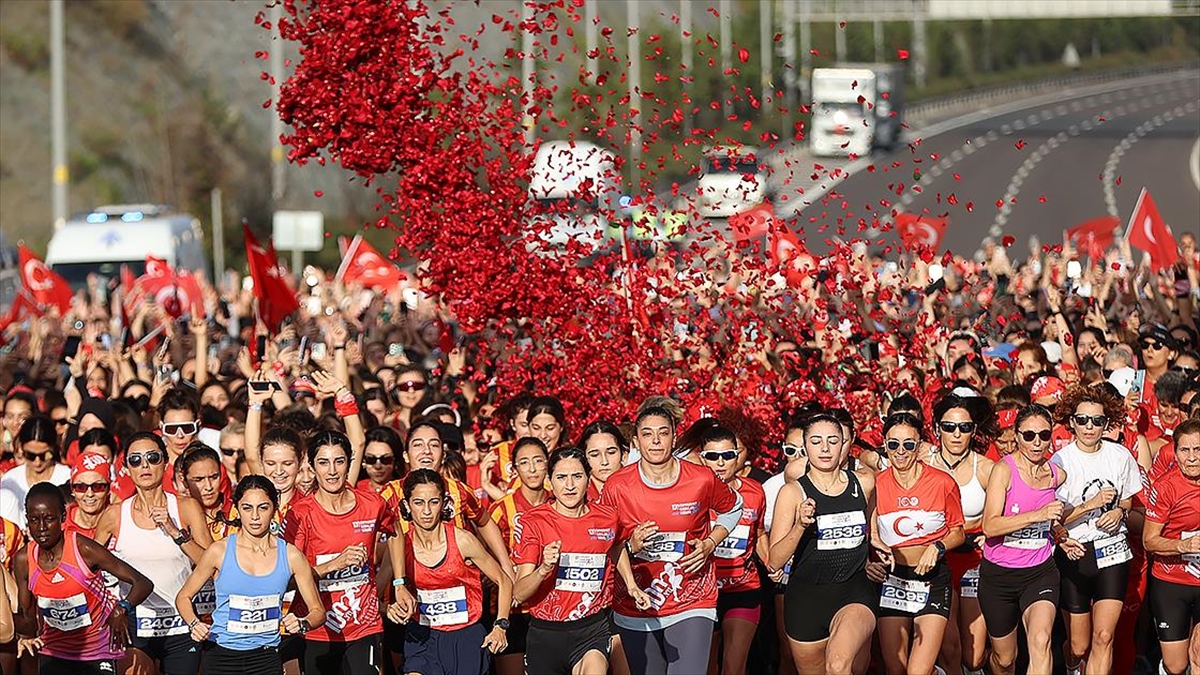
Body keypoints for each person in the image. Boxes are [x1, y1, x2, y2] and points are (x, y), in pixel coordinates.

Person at [599, 406, 743, 675]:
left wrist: (711, 543)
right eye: (647, 434)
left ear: (674, 438)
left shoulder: (701, 478)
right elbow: (605, 543)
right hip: (637, 602)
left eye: (663, 433)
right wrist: (631, 546)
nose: (655, 441)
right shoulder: (617, 486)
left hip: (692, 597)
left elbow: (734, 507)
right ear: (636, 441)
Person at [512, 446, 646, 675]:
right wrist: (544, 569)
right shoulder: (533, 522)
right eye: (561, 477)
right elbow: (519, 593)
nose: (570, 485)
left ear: (588, 477)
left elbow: (616, 546)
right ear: (550, 481)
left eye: (577, 476)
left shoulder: (607, 517)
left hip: (592, 628)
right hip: (546, 634)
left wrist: (632, 586)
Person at [175, 475, 327, 675]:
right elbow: (183, 597)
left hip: (266, 657)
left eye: (263, 507)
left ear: (274, 507)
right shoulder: (218, 551)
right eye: (247, 508)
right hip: (221, 656)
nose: (255, 516)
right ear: (237, 509)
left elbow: (318, 612)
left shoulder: (291, 555)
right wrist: (194, 624)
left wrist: (302, 623)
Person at [93, 431, 214, 675]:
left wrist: (174, 531)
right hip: (135, 623)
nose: (144, 465)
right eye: (135, 460)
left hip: (181, 622)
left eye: (152, 457)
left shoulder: (186, 507)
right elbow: (89, 567)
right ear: (126, 468)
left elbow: (211, 563)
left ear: (165, 461)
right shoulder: (115, 514)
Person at [979, 404, 1084, 675]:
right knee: (1005, 659)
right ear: (1016, 435)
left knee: (1041, 640)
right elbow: (989, 526)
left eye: (1044, 435)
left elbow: (1053, 518)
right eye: (1029, 436)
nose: (1037, 443)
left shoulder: (1056, 474)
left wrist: (1060, 535)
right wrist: (1036, 515)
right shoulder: (1003, 470)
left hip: (1040, 572)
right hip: (1000, 575)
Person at [769, 412, 876, 675]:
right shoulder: (792, 492)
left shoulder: (864, 483)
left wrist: (877, 557)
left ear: (845, 444)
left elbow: (873, 534)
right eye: (816, 441)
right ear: (805, 447)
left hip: (854, 594)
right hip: (806, 601)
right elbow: (775, 560)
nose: (825, 448)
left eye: (833, 440)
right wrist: (800, 525)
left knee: (839, 666)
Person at [13, 482, 153, 675]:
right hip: (55, 650)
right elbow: (29, 622)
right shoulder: (23, 560)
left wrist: (122, 608)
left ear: (63, 517)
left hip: (97, 651)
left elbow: (143, 583)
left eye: (49, 519)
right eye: (34, 520)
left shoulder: (83, 549)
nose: (42, 527)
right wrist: (13, 625)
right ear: (27, 520)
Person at [283, 429, 391, 674]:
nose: (332, 471)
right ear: (311, 466)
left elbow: (396, 535)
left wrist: (397, 581)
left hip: (365, 627)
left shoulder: (373, 504)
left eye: (339, 461)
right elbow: (288, 581)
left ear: (349, 463)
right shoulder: (299, 514)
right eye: (323, 462)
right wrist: (334, 564)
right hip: (317, 630)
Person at [1051, 385, 1141, 675]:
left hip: (1113, 550)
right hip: (1075, 551)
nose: (1090, 427)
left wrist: (1120, 511)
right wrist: (1089, 505)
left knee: (1104, 637)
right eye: (1082, 420)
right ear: (1071, 422)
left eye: (1097, 421)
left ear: (1107, 423)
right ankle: (1071, 667)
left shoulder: (1120, 456)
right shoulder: (1060, 461)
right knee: (1078, 645)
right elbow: (1054, 519)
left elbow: (1128, 499)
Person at [387, 469, 512, 675]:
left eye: (433, 502)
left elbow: (504, 581)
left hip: (466, 636)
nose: (426, 511)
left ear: (443, 503)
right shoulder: (401, 546)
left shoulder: (463, 541)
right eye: (418, 502)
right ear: (407, 505)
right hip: (423, 635)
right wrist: (388, 608)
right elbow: (375, 591)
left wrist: (500, 626)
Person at [872, 412, 965, 675]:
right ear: (885, 444)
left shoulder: (942, 482)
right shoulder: (876, 485)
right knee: (895, 669)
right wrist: (872, 562)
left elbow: (958, 532)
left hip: (932, 579)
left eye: (909, 444)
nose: (900, 451)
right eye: (893, 444)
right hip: (893, 580)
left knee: (918, 672)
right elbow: (870, 535)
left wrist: (936, 547)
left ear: (920, 445)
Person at [926, 396, 996, 675]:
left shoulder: (987, 469)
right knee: (949, 647)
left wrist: (988, 534)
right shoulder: (921, 460)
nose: (957, 434)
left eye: (964, 427)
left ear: (974, 430)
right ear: (936, 428)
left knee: (974, 655)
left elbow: (1001, 515)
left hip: (973, 558)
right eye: (949, 426)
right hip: (935, 559)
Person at [697, 423, 767, 675]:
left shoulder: (755, 491)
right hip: (702, 593)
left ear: (737, 457)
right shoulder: (690, 493)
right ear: (701, 458)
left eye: (727, 455)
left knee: (733, 667)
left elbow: (758, 534)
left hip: (743, 588)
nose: (720, 462)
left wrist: (773, 564)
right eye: (712, 456)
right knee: (705, 667)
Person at [1142, 418, 1200, 675]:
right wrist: (1183, 545)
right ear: (1174, 453)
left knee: (1199, 654)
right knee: (1176, 665)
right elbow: (1149, 541)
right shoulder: (1166, 487)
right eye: (1185, 450)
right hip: (1171, 581)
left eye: (1198, 449)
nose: (1192, 457)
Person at [489, 437, 551, 675]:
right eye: (524, 463)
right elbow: (482, 554)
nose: (533, 469)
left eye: (538, 461)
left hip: (549, 609)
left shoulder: (560, 503)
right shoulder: (501, 508)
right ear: (514, 469)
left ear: (548, 464)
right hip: (511, 610)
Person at [1, 416, 72, 528]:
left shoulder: (67, 477)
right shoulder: (10, 481)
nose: (37, 462)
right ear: (21, 448)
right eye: (30, 455)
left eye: (44, 455)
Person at [65, 452, 115, 540]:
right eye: (81, 487)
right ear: (72, 490)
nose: (90, 494)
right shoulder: (60, 522)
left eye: (97, 487)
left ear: (108, 489)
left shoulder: (120, 520)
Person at [579, 420, 627, 500]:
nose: (604, 461)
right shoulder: (576, 495)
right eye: (595, 455)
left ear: (624, 455)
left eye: (611, 453)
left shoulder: (639, 489)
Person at [359, 426, 403, 494]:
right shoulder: (355, 489)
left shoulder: (404, 490)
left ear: (396, 461)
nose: (378, 466)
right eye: (371, 459)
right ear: (363, 461)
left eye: (385, 459)